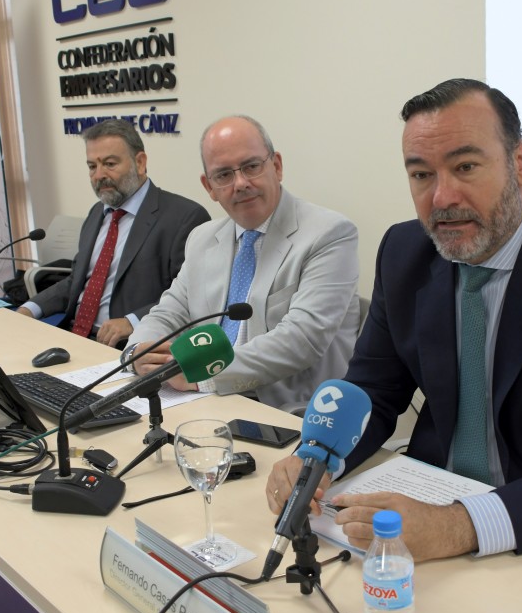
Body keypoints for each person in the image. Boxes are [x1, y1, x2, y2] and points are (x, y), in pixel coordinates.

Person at [266, 78, 522, 559]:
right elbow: (374, 394)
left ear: (520, 163)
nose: (442, 197)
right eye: (421, 174)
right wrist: (316, 461)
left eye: (465, 167)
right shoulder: (404, 253)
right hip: (434, 498)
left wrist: (458, 526)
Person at [125, 115, 360, 407]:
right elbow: (169, 312)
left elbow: (302, 340)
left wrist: (204, 377)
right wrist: (139, 352)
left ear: (277, 166)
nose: (240, 183)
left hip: (287, 411)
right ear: (209, 187)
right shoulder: (202, 238)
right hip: (203, 400)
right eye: (223, 175)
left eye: (251, 166)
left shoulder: (329, 233)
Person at [18, 119, 210, 348]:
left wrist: (133, 321)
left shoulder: (184, 217)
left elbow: (191, 295)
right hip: (73, 336)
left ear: (140, 162)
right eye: (92, 166)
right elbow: (75, 281)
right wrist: (29, 308)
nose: (99, 175)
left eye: (109, 164)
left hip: (129, 345)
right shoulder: (97, 213)